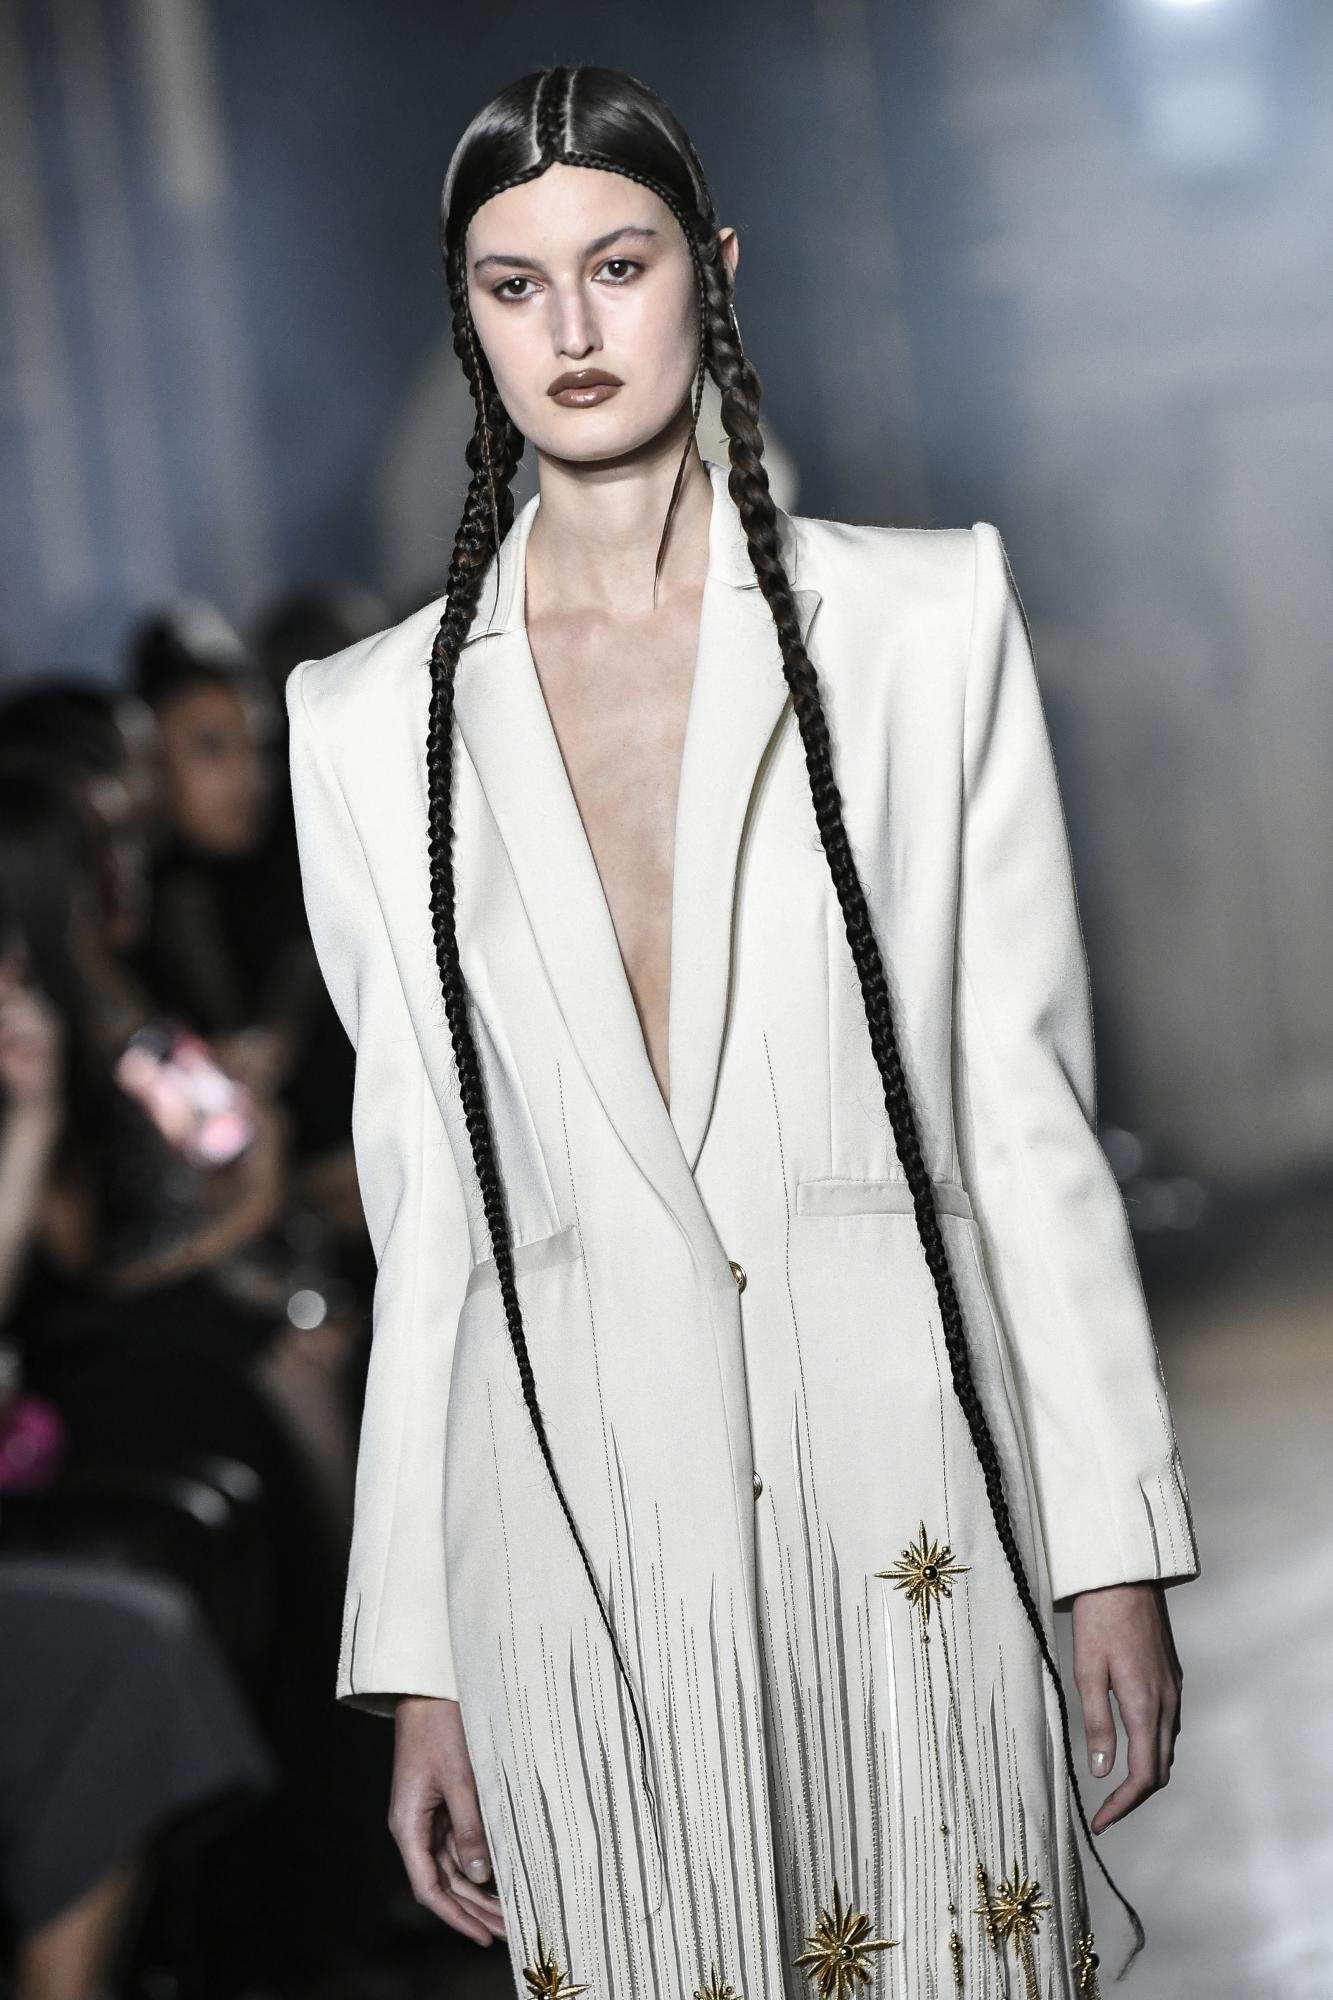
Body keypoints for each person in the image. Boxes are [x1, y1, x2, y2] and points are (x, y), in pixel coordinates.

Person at [285, 65, 1200, 2000]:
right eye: (514, 284)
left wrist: (1108, 1535)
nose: (571, 327)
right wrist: (421, 1658)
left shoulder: (921, 628)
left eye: (616, 266)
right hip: (576, 1535)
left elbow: (1018, 1103)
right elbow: (428, 1216)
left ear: (711, 270)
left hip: (907, 1488)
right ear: (466, 316)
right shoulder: (365, 728)